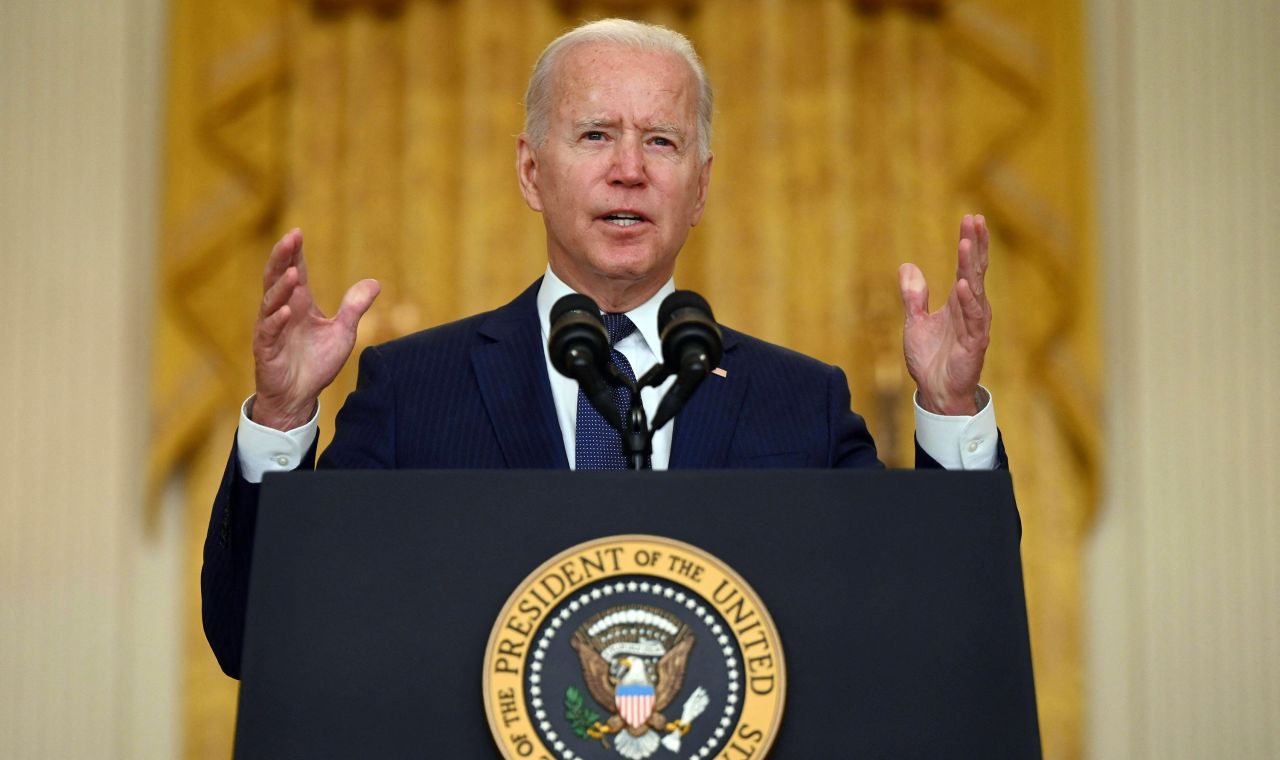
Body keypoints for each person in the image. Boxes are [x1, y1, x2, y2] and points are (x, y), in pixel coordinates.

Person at [203, 18, 1003, 678]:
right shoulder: (414, 389)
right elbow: (258, 641)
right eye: (595, 135)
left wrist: (949, 409)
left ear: (701, 185)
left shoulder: (802, 402)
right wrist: (281, 416)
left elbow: (942, 637)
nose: (628, 171)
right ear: (530, 171)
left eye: (661, 142)